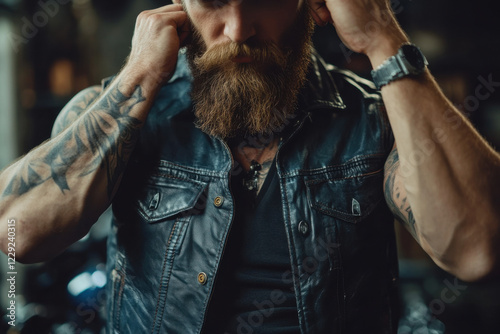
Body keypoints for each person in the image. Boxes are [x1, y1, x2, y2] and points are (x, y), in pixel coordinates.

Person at [1, 0, 499, 332]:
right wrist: (138, 78)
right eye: (214, 0)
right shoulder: (125, 110)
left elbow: (477, 249)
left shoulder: (377, 119)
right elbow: (13, 232)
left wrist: (381, 37)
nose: (238, 29)